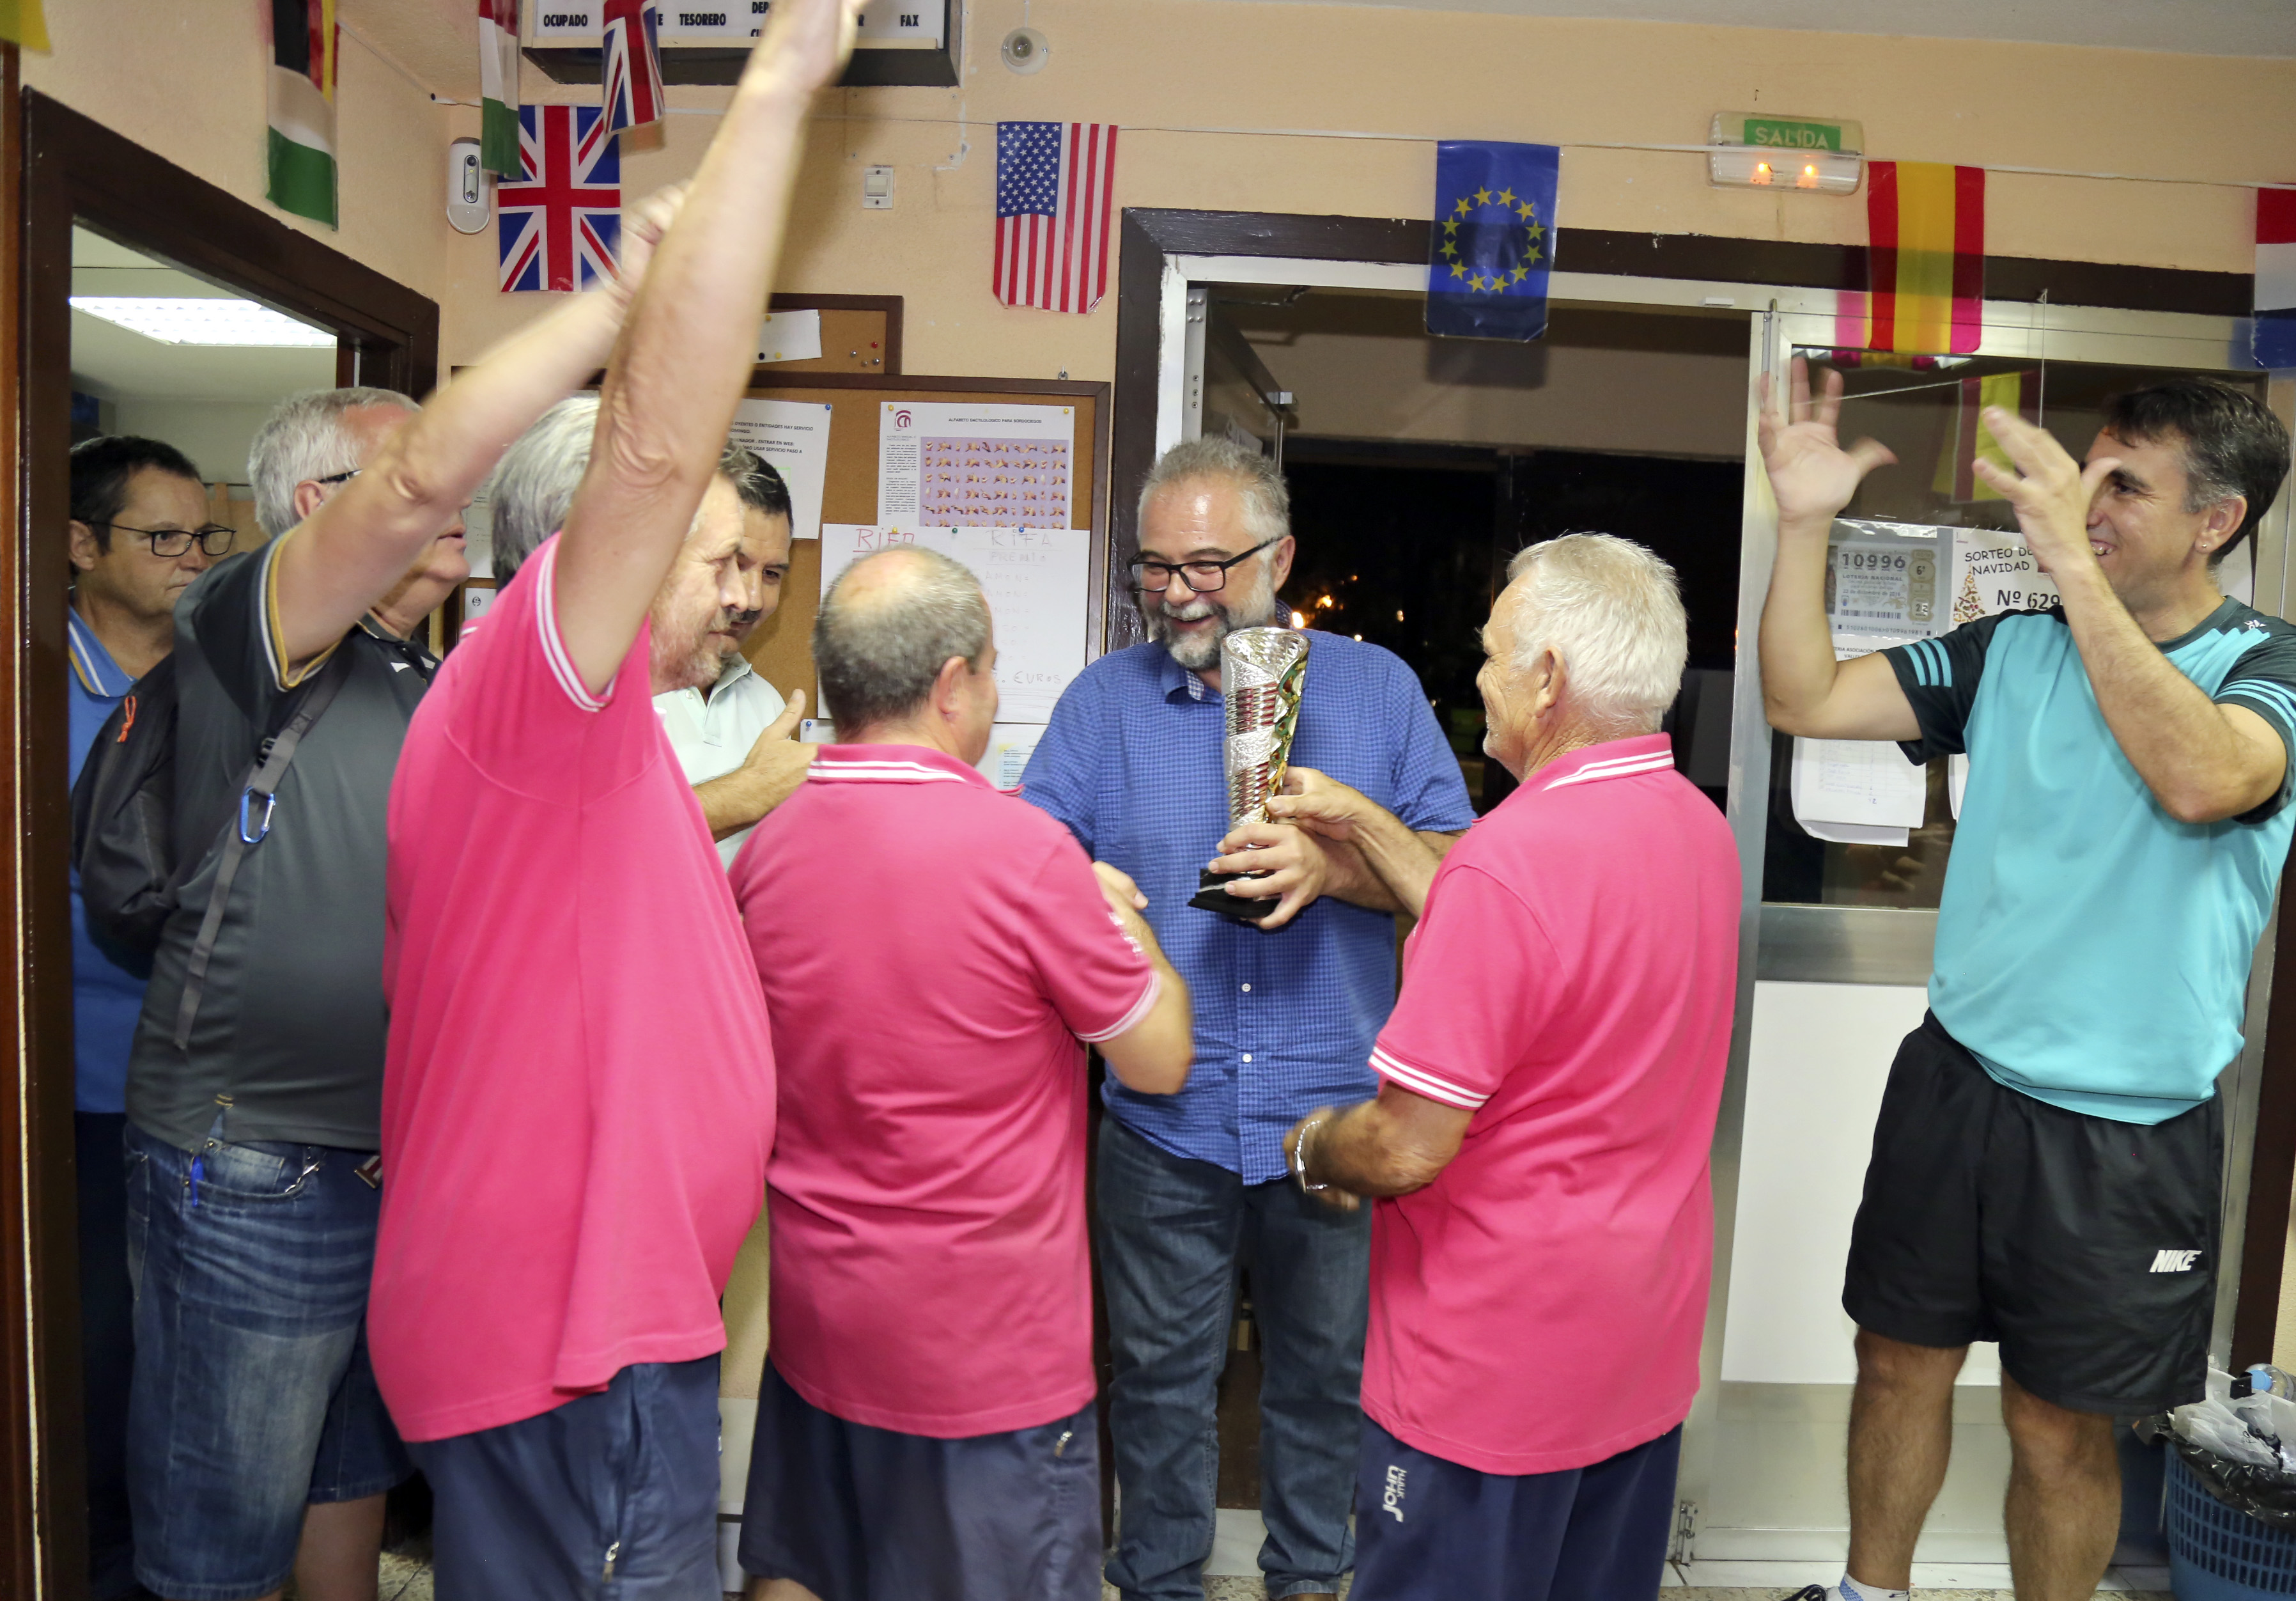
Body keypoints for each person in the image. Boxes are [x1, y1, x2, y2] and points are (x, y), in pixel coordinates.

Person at [370, 5, 860, 1595]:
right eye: (711, 557)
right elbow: (650, 447)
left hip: (595, 1328)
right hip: (559, 1343)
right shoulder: (533, 697)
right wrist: (775, 93)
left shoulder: (610, 734)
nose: (737, 594)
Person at [118, 224, 682, 1599]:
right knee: (219, 1547)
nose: (454, 494)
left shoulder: (428, 676)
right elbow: (422, 474)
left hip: (400, 1166)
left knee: (348, 1492)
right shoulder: (250, 627)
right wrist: (611, 309)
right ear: (321, 504)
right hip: (252, 1161)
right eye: (411, 475)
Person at [1756, 360, 2296, 1601]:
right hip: (1956, 1082)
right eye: (2082, 472)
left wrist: (2069, 570)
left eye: (2123, 486)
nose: (2083, 502)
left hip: (2124, 1131)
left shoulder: (2264, 664)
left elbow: (2203, 778)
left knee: (2057, 1426)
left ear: (2215, 521)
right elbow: (1803, 696)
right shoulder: (2010, 646)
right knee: (1895, 1360)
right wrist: (1803, 525)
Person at [1020, 435, 1479, 1601]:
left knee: (1324, 1383)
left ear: (1279, 559)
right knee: (1158, 1384)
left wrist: (1340, 866)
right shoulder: (1102, 705)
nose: (1178, 593)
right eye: (1155, 567)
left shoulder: (1377, 691)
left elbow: (1458, 879)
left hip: (1335, 1118)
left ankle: (1311, 1579)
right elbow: (1026, 870)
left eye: (1208, 566)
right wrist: (1077, 891)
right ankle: (1159, 1580)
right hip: (1161, 1118)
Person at [1273, 534, 1738, 1601]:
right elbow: (1543, 955)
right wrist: (1369, 827)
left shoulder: (1509, 862)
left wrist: (1314, 1147)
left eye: (1490, 654)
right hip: (1636, 1348)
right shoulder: (1699, 829)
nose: (1478, 676)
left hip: (1489, 1377)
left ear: (1547, 678)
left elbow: (1403, 1147)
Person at [730, 546, 1193, 1599]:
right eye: (988, 669)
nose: (989, 690)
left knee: (801, 1564)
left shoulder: (769, 848)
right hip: (985, 1352)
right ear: (951, 685)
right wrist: (1124, 924)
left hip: (822, 1315)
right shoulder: (1026, 855)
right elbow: (1161, 1058)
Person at [66, 434, 231, 1599]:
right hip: (74, 1084)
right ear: (81, 545)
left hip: (211, 1085)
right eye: (160, 537)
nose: (190, 559)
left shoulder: (224, 680)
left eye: (203, 537)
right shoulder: (34, 688)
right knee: (96, 1351)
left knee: (198, 1354)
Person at [483, 393, 817, 864]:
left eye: (772, 574)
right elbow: (553, 846)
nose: (747, 598)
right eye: (723, 563)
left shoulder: (764, 703)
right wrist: (744, 793)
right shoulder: (521, 694)